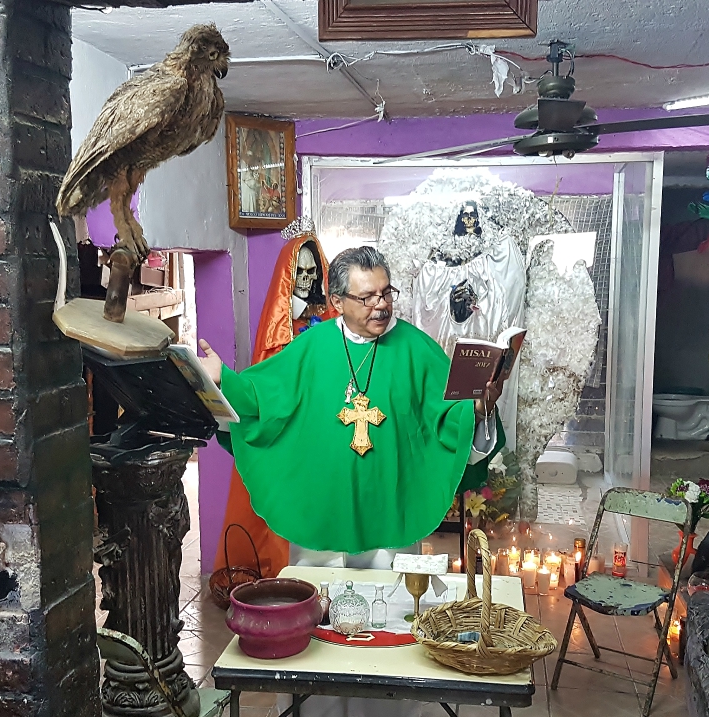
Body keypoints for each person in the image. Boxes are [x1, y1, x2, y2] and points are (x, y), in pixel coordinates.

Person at [198, 245, 504, 569]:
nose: (381, 305)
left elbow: (450, 418)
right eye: (367, 297)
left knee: (393, 610)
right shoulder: (311, 347)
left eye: (387, 293)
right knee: (320, 613)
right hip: (324, 513)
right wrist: (224, 381)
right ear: (337, 302)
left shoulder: (418, 349)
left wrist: (479, 409)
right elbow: (261, 398)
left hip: (392, 512)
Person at [212, 219, 335, 579]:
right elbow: (269, 380)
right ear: (288, 274)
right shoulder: (278, 331)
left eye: (314, 271)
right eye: (301, 271)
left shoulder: (325, 322)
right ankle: (285, 579)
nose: (308, 279)